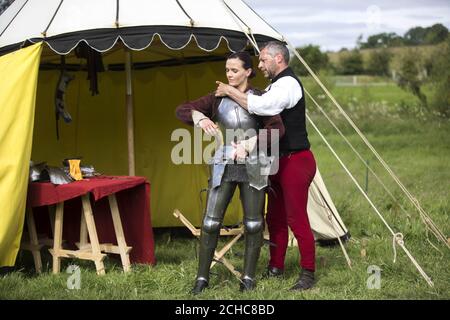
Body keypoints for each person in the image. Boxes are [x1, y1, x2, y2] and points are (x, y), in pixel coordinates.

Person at [175, 51, 285, 294]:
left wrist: (250, 143)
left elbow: (277, 129)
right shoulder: (217, 97)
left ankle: (248, 279)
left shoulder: (260, 98)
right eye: (227, 70)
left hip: (254, 162)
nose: (229, 75)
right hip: (224, 162)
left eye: (234, 70)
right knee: (210, 222)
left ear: (248, 71)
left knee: (254, 224)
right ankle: (202, 279)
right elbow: (183, 109)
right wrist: (199, 117)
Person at [215, 41, 317, 290]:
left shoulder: (289, 84)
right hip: (277, 161)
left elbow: (261, 106)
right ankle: (276, 266)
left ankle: (308, 273)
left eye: (262, 60)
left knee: (296, 217)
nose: (259, 65)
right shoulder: (275, 85)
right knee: (275, 218)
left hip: (296, 160)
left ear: (278, 59)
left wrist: (229, 91)